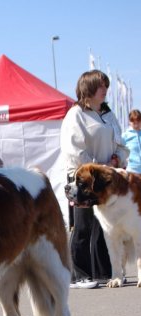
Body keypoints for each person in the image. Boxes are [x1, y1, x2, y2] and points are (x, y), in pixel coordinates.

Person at [60, 69, 129, 289]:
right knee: (83, 224)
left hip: (108, 179)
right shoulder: (76, 114)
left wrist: (118, 158)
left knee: (105, 225)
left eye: (106, 85)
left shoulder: (108, 114)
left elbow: (120, 142)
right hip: (84, 178)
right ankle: (79, 274)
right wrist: (97, 168)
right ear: (88, 88)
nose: (105, 89)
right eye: (101, 85)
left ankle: (102, 270)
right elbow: (74, 150)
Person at [122, 109, 141, 174]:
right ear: (129, 122)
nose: (136, 124)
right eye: (133, 122)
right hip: (132, 170)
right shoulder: (125, 136)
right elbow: (119, 150)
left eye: (138, 121)